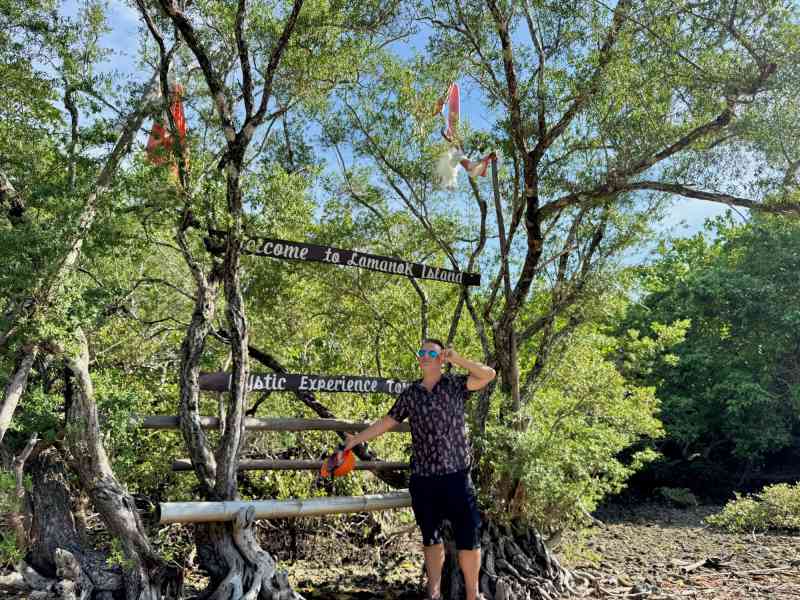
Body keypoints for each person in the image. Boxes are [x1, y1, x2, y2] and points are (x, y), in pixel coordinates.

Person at [340, 338, 496, 600]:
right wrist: (355, 440)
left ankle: (472, 595)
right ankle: (433, 594)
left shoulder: (456, 384)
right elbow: (387, 421)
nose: (424, 356)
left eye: (431, 353)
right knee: (430, 538)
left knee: (468, 538)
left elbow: (488, 375)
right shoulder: (411, 393)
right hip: (424, 478)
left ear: (440, 358)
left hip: (457, 475)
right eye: (421, 352)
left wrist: (456, 359)